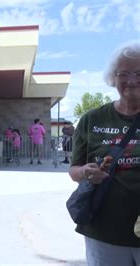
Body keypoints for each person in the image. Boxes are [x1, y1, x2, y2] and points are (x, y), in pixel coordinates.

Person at [68, 41, 140, 265]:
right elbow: (74, 169)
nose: (132, 80)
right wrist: (86, 173)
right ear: (113, 77)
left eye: (139, 73)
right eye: (124, 73)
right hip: (104, 230)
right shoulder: (92, 119)